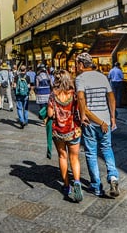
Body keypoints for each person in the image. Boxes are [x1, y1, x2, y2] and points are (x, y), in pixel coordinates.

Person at [75, 52, 120, 198]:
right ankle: (113, 177)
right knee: (107, 148)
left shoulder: (80, 78)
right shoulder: (102, 76)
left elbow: (81, 98)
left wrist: (83, 115)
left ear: (81, 65)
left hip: (90, 121)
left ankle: (96, 186)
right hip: (106, 120)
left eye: (77, 64)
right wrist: (112, 118)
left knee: (91, 153)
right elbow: (111, 97)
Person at [47, 69, 83, 202]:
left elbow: (50, 114)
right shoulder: (73, 94)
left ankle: (66, 185)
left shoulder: (53, 95)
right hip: (73, 130)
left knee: (63, 156)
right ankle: (77, 181)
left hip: (58, 131)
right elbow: (79, 110)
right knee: (74, 158)